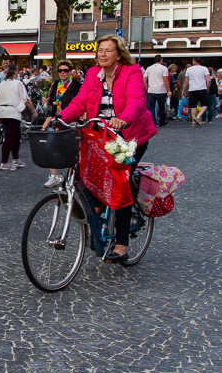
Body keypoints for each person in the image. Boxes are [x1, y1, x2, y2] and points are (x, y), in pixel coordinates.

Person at [45, 35, 156, 263]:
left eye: (108, 50)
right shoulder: (93, 75)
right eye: (100, 50)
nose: (102, 54)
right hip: (102, 135)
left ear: (119, 55)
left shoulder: (132, 71)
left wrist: (124, 119)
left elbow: (137, 100)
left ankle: (122, 243)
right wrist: (60, 118)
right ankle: (97, 208)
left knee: (120, 182)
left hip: (130, 135)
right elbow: (80, 102)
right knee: (84, 174)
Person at [43, 60, 82, 188]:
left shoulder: (76, 85)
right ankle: (53, 176)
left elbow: (81, 102)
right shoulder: (56, 84)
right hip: (56, 120)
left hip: (72, 120)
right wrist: (48, 113)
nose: (63, 73)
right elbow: (52, 103)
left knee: (71, 150)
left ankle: (70, 178)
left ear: (70, 71)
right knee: (50, 146)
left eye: (65, 70)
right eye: (60, 70)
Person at [0, 63, 35, 171]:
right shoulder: (18, 84)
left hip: (2, 111)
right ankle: (4, 162)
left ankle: (16, 159)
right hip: (13, 112)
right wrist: (33, 111)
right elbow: (26, 99)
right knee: (10, 138)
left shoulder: (1, 84)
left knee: (16, 136)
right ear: (16, 72)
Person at [182, 57, 210, 126]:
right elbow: (209, 80)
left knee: (193, 105)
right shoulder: (204, 69)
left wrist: (183, 90)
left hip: (192, 89)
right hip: (202, 88)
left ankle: (193, 121)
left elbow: (186, 81)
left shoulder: (189, 69)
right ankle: (198, 117)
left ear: (194, 61)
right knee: (205, 104)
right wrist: (207, 88)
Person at [144, 55, 170, 127]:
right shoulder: (164, 68)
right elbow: (165, 80)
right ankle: (161, 121)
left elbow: (144, 79)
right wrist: (168, 89)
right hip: (161, 90)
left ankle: (153, 122)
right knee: (161, 107)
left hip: (151, 90)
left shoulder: (149, 68)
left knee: (152, 108)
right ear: (161, 60)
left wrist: (147, 88)